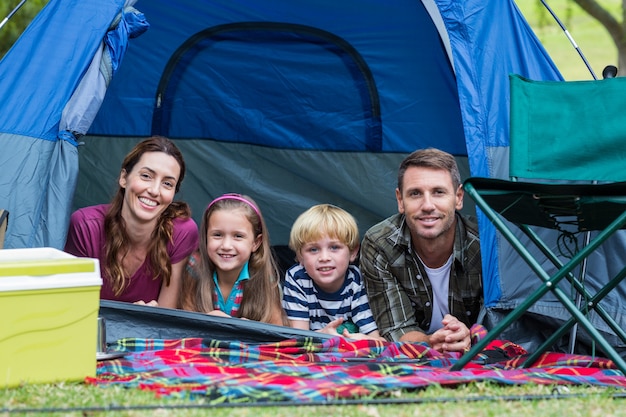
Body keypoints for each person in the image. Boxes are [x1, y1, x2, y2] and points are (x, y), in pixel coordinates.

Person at [360, 148, 482, 353]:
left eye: (438, 192)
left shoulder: (484, 244)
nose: (427, 205)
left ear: (458, 197)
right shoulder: (379, 244)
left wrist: (471, 336)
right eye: (415, 193)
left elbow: (501, 322)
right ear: (400, 200)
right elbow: (396, 328)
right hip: (421, 348)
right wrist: (432, 341)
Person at [64, 136, 199, 308]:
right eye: (146, 176)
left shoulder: (181, 232)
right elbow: (75, 308)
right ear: (124, 178)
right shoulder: (86, 226)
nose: (154, 190)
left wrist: (148, 319)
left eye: (167, 183)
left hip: (149, 334)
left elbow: (166, 318)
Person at [178, 193, 288, 326]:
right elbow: (185, 325)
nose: (226, 246)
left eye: (238, 236)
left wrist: (249, 329)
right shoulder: (196, 267)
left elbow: (276, 332)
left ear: (256, 243)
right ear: (206, 237)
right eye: (217, 235)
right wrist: (208, 322)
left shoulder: (263, 278)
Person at [282, 204, 384, 341]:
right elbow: (297, 337)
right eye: (313, 249)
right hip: (315, 347)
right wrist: (323, 335)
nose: (324, 258)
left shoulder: (356, 280)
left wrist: (363, 340)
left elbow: (376, 338)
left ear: (353, 252)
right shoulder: (297, 279)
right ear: (300, 256)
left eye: (334, 247)